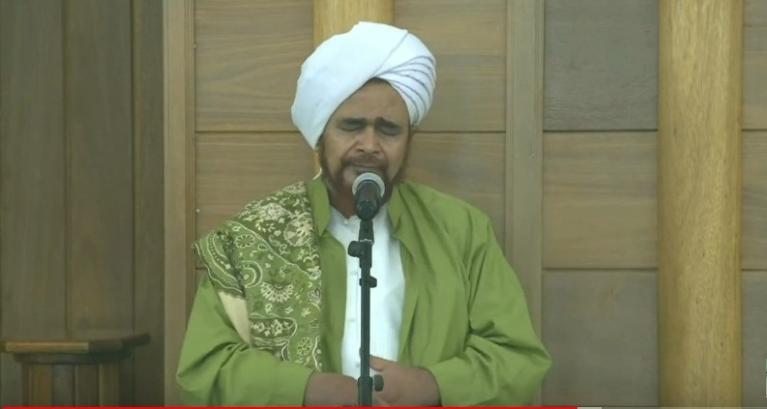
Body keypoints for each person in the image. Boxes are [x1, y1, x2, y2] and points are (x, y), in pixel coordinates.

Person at [177, 21, 551, 406]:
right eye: (351, 127)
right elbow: (204, 369)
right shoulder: (253, 236)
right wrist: (306, 391)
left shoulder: (461, 230)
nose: (369, 145)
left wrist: (433, 386)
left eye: (388, 130)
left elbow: (518, 358)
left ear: (409, 140)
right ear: (321, 135)